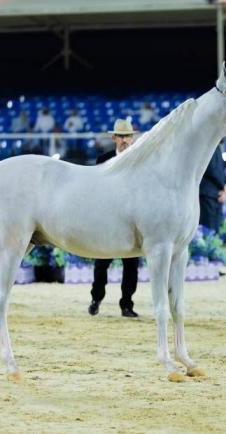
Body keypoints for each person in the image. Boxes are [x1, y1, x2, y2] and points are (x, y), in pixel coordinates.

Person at [88, 118, 140, 318]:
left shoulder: (140, 159)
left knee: (131, 265)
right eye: (121, 136)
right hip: (107, 220)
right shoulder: (103, 159)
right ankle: (96, 298)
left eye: (128, 136)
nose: (125, 140)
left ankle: (127, 304)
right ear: (114, 138)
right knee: (101, 262)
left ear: (133, 138)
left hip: (131, 220)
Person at [199, 145, 226, 231]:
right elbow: (214, 170)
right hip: (209, 194)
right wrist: (224, 187)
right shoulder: (212, 145)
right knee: (209, 233)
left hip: (210, 193)